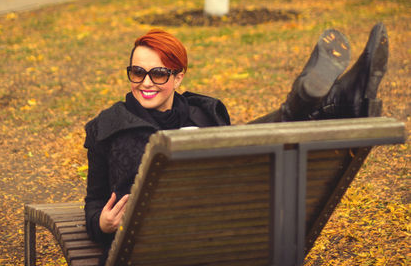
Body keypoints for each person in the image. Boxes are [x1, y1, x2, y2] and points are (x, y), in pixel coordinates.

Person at [84, 23, 388, 264]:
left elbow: (241, 176)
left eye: (159, 74)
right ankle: (332, 102)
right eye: (137, 72)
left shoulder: (203, 113)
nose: (146, 83)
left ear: (178, 78)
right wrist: (103, 223)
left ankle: (324, 102)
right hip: (149, 251)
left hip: (220, 238)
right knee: (241, 141)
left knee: (238, 146)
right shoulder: (107, 128)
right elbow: (94, 202)